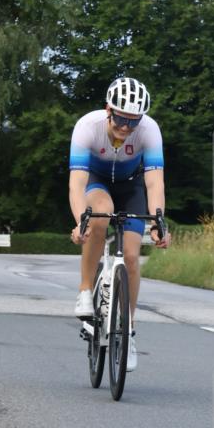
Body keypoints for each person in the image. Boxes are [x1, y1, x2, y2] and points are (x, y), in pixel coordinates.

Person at [69, 77, 171, 372]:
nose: (126, 128)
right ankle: (86, 291)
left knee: (131, 255)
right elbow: (76, 184)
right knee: (100, 214)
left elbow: (154, 182)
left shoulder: (150, 130)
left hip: (131, 186)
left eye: (133, 122)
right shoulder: (87, 127)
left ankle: (129, 330)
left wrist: (158, 221)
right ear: (108, 110)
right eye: (121, 120)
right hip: (97, 183)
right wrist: (80, 222)